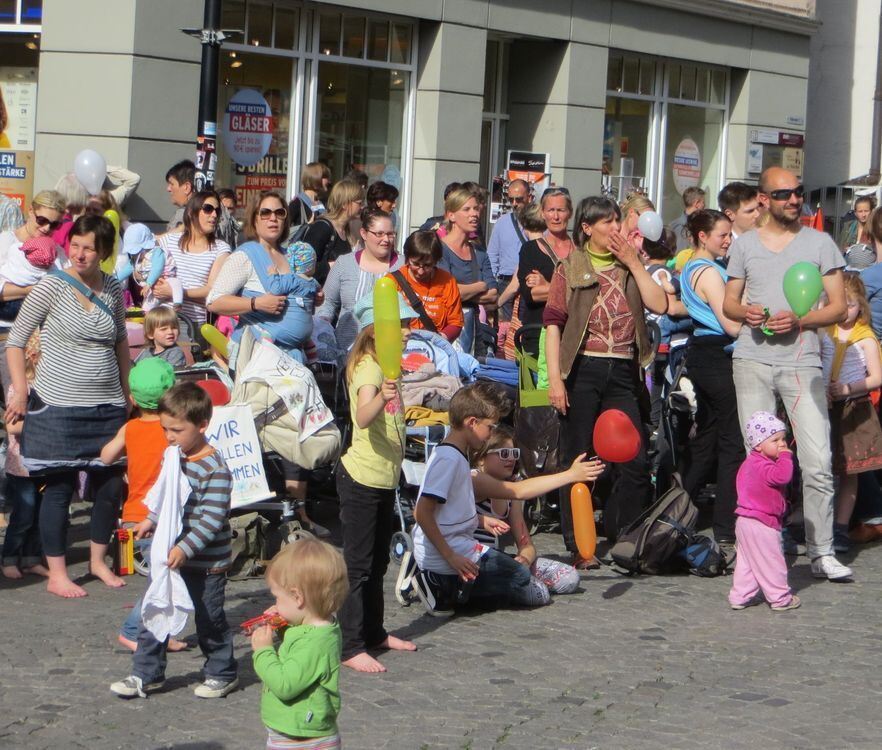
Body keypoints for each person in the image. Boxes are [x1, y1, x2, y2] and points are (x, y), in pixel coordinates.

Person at [723, 166, 853, 581]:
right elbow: (729, 304)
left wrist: (801, 320)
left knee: (816, 458)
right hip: (753, 360)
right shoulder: (744, 245)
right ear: (763, 199)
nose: (793, 200)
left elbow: (837, 307)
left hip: (802, 361)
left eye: (797, 192)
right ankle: (761, 548)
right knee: (757, 460)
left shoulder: (820, 242)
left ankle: (822, 550)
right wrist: (749, 312)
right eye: (783, 195)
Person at [5, 214, 128, 598]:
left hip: (105, 405)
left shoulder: (112, 288)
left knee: (109, 487)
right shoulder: (50, 286)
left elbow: (121, 342)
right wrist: (22, 391)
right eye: (75, 245)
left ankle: (96, 561)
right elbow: (15, 341)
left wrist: (126, 392)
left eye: (89, 247)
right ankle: (58, 573)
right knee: (58, 489)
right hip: (58, 405)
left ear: (104, 251)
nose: (80, 253)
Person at [411, 382, 603, 616]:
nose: (492, 433)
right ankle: (440, 585)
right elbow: (421, 512)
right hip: (451, 554)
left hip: (462, 548)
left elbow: (451, 511)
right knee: (531, 587)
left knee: (548, 581)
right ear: (472, 423)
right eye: (490, 427)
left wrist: (479, 522)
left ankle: (459, 588)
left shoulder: (455, 456)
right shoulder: (449, 459)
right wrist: (571, 475)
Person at [544, 196, 667, 554]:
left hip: (622, 368)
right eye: (607, 223)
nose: (616, 228)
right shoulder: (569, 267)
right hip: (584, 368)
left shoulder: (630, 266)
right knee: (578, 458)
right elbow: (553, 327)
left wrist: (634, 263)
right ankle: (579, 543)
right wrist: (555, 381)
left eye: (617, 221)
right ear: (587, 229)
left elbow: (658, 305)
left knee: (635, 457)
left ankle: (623, 533)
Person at [207, 190, 330, 535]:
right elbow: (216, 300)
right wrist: (255, 304)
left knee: (298, 432)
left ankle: (299, 513)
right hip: (259, 360)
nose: (273, 218)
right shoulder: (246, 256)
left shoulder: (293, 255)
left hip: (294, 359)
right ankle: (245, 515)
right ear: (254, 218)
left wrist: (312, 297)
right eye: (265, 213)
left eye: (278, 213)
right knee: (255, 436)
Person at [111, 382, 238, 700]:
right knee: (153, 614)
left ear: (202, 425)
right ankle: (145, 673)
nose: (169, 437)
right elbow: (167, 497)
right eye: (166, 429)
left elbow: (211, 520)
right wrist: (151, 520)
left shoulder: (215, 469)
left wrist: (185, 547)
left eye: (176, 430)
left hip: (206, 563)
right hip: (170, 557)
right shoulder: (174, 456)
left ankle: (221, 672)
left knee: (209, 618)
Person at [337, 293, 419, 673]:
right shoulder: (370, 370)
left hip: (384, 478)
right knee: (358, 565)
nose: (407, 332)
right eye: (401, 326)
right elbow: (364, 417)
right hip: (363, 479)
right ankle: (351, 644)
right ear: (377, 333)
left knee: (378, 561)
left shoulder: (384, 365)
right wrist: (382, 395)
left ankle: (374, 632)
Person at [100, 358, 188, 652]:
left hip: (132, 513)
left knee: (163, 576)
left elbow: (105, 456)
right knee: (160, 580)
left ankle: (163, 631)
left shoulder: (130, 428)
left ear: (133, 398)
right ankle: (131, 629)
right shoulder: (171, 433)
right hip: (158, 516)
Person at [680, 210, 745, 552]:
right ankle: (725, 526)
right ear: (702, 236)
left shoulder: (691, 266)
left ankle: (678, 510)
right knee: (732, 441)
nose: (728, 240)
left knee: (706, 440)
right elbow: (729, 323)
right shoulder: (708, 272)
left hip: (703, 355)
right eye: (722, 234)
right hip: (718, 355)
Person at [251, 539, 349, 749]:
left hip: (300, 738)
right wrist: (282, 627)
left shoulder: (317, 642)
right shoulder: (318, 628)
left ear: (297, 597)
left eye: (277, 597)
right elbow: (299, 651)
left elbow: (285, 685)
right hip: (294, 731)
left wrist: (264, 651)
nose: (275, 603)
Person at [473, 425, 581, 604]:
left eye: (514, 454)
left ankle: (509, 584)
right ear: (481, 459)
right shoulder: (475, 479)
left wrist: (524, 559)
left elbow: (526, 543)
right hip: (473, 562)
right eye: (503, 454)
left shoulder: (510, 493)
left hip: (498, 561)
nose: (511, 460)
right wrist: (570, 475)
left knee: (569, 577)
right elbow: (520, 490)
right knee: (539, 594)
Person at [820, 273, 882, 553]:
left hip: (853, 409)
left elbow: (877, 378)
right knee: (819, 467)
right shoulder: (825, 332)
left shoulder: (865, 338)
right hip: (825, 407)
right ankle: (815, 524)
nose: (846, 311)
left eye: (852, 305)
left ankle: (842, 528)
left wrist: (847, 389)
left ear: (862, 307)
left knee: (849, 472)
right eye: (841, 304)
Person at [728, 411, 800, 612]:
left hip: (744, 520)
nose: (782, 444)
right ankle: (780, 598)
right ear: (758, 445)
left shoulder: (748, 464)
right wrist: (786, 457)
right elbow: (782, 477)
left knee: (748, 562)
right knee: (771, 561)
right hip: (762, 522)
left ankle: (740, 596)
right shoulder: (764, 465)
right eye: (775, 440)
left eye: (783, 439)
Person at [0, 190, 65, 392]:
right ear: (30, 211)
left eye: (54, 224)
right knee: (15, 401)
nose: (46, 228)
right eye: (42, 220)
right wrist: (34, 289)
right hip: (6, 334)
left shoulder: (57, 252)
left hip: (44, 338)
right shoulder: (6, 242)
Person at [317, 207, 404, 353]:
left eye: (390, 234)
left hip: (390, 352)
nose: (386, 240)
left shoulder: (403, 266)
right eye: (379, 234)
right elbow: (328, 301)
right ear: (364, 233)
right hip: (346, 351)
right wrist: (323, 323)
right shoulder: (344, 263)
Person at [1, 333, 46, 579]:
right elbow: (12, 427)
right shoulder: (18, 389)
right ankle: (9, 557)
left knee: (40, 514)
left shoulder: (52, 387)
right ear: (34, 356)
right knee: (23, 514)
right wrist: (43, 422)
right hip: (22, 464)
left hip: (45, 463)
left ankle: (31, 558)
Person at [516, 187, 575, 359]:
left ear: (569, 213)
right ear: (543, 213)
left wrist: (548, 286)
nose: (555, 217)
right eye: (551, 210)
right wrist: (572, 289)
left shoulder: (580, 251)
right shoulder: (530, 250)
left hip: (572, 338)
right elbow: (532, 295)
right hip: (537, 336)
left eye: (560, 210)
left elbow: (588, 295)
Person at [156, 191, 231, 327]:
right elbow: (142, 260)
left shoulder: (221, 248)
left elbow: (212, 289)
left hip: (192, 324)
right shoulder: (169, 241)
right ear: (191, 212)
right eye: (208, 209)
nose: (214, 215)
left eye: (217, 211)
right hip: (160, 319)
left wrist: (177, 292)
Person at [437, 186, 497, 354]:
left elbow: (493, 296)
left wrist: (462, 292)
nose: (474, 214)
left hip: (474, 332)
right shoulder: (439, 250)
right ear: (451, 215)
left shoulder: (479, 253)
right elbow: (445, 292)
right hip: (446, 329)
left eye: (476, 209)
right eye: (467, 209)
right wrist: (480, 286)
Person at [388, 230, 463, 342]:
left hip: (433, 347)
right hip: (400, 346)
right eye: (416, 264)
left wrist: (440, 338)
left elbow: (456, 322)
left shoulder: (447, 281)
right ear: (407, 258)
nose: (421, 271)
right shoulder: (392, 281)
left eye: (428, 265)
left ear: (436, 261)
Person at [301, 179, 364, 285]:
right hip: (318, 296)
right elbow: (303, 266)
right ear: (345, 204)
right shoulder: (322, 228)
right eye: (359, 203)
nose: (362, 207)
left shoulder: (347, 231)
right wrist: (330, 266)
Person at [487, 179, 532, 319]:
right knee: (504, 330)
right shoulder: (502, 223)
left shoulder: (539, 223)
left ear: (529, 198)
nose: (514, 204)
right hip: (504, 283)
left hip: (528, 284)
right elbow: (492, 255)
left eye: (518, 199)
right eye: (510, 199)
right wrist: (492, 284)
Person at [122, 223, 184, 311]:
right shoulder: (136, 258)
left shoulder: (156, 252)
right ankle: (146, 315)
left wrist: (149, 284)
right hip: (153, 288)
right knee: (146, 308)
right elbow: (127, 269)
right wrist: (114, 278)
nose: (134, 254)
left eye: (136, 251)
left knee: (176, 283)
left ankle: (178, 303)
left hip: (166, 279)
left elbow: (157, 268)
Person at [0, 235, 58, 321]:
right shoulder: (44, 272)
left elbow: (16, 248)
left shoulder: (16, 257)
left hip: (5, 306)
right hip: (22, 308)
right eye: (41, 220)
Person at [288, 161, 331, 228]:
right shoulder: (296, 203)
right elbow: (283, 230)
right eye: (325, 177)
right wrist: (306, 226)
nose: (329, 181)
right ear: (315, 177)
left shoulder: (324, 203)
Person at [165, 160, 196, 232]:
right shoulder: (217, 211)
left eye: (172, 184)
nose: (168, 189)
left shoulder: (184, 215)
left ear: (187, 188)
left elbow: (171, 242)